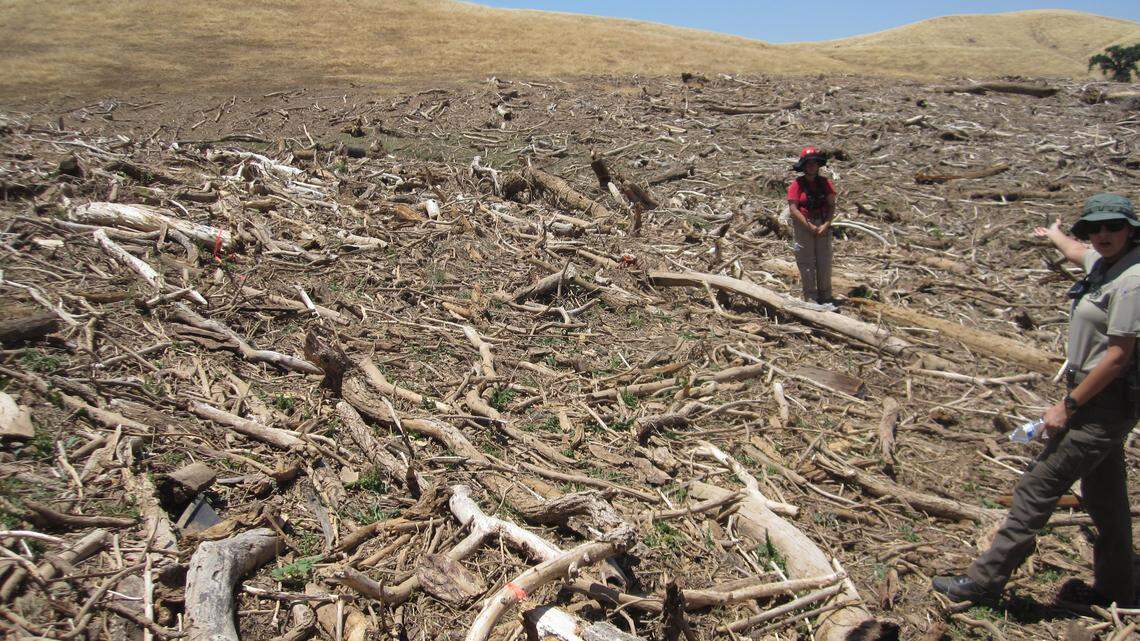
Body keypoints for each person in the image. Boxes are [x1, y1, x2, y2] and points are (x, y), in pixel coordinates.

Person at [932, 193, 1140, 607]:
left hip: (1103, 403)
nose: (1103, 234)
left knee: (1037, 488)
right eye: (1095, 227)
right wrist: (1056, 235)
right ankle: (1120, 586)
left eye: (1113, 226)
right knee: (1106, 498)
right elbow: (1078, 251)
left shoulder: (1132, 281)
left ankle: (985, 580)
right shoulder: (1103, 263)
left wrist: (1069, 406)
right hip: (1101, 402)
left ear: (1130, 229)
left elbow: (1118, 357)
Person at [787, 146, 837, 304]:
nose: (811, 166)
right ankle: (810, 296)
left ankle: (826, 295)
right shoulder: (797, 184)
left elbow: (831, 205)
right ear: (803, 166)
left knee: (824, 260)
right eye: (808, 163)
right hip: (803, 225)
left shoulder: (825, 183)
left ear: (818, 165)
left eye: (814, 163)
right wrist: (808, 226)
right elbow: (793, 208)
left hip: (822, 224)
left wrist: (826, 224)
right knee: (806, 261)